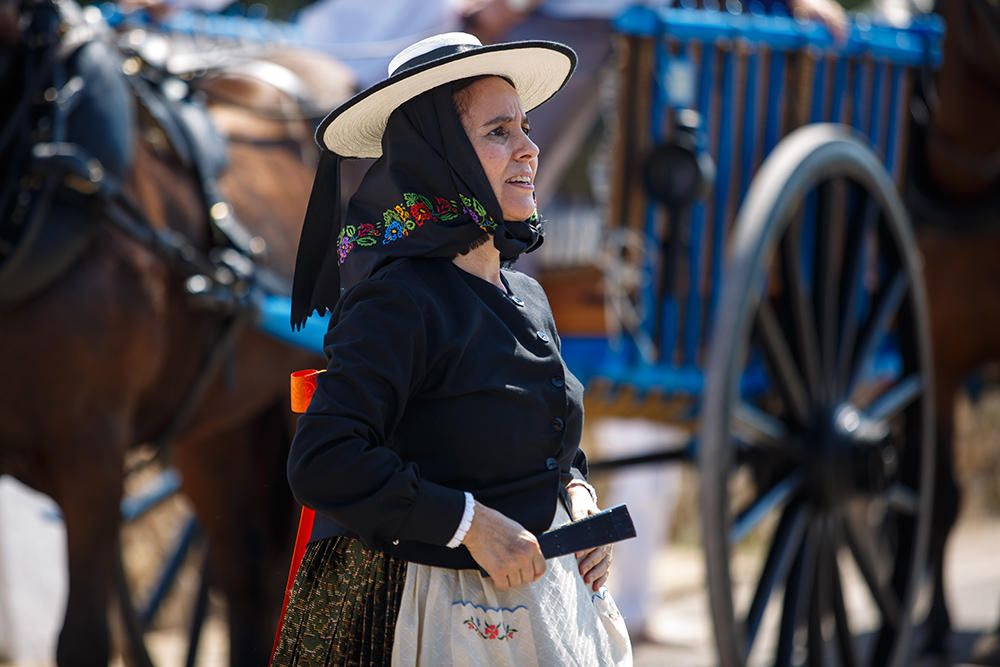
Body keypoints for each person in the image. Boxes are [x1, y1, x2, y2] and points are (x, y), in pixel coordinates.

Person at [272, 31, 631, 666]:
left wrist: (576, 498)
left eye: (526, 126)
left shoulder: (526, 294)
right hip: (429, 621)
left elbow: (545, 440)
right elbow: (324, 459)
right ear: (438, 156)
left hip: (538, 614)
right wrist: (470, 525)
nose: (530, 149)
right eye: (499, 132)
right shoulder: (397, 301)